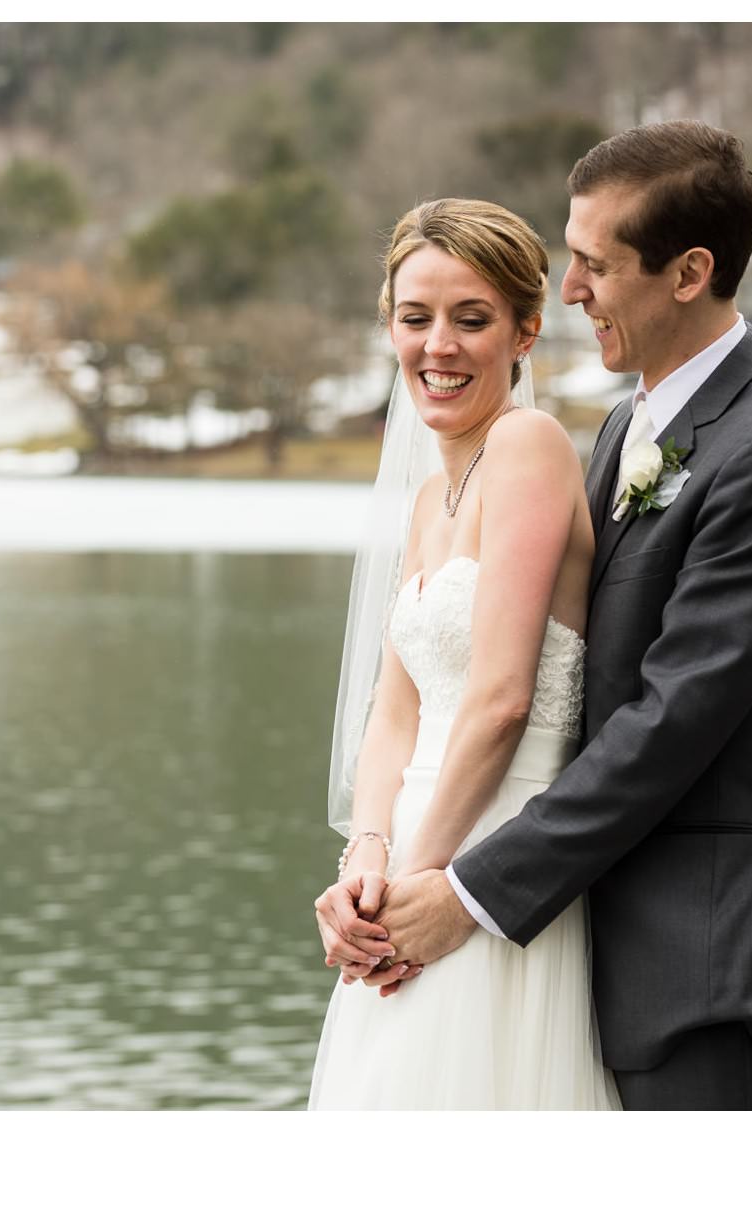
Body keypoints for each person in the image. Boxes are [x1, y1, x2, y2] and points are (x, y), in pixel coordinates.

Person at [355, 121, 752, 1111]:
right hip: (594, 942)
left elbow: (671, 722)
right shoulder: (631, 428)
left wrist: (460, 892)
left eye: (593, 263)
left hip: (705, 960)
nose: (571, 287)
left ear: (687, 273)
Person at [308, 197, 619, 1109]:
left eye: (470, 319)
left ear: (525, 331)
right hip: (410, 861)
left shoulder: (528, 445)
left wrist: (421, 888)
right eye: (415, 319)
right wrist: (364, 863)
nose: (437, 345)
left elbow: (499, 701)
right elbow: (394, 712)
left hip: (487, 862)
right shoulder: (426, 500)